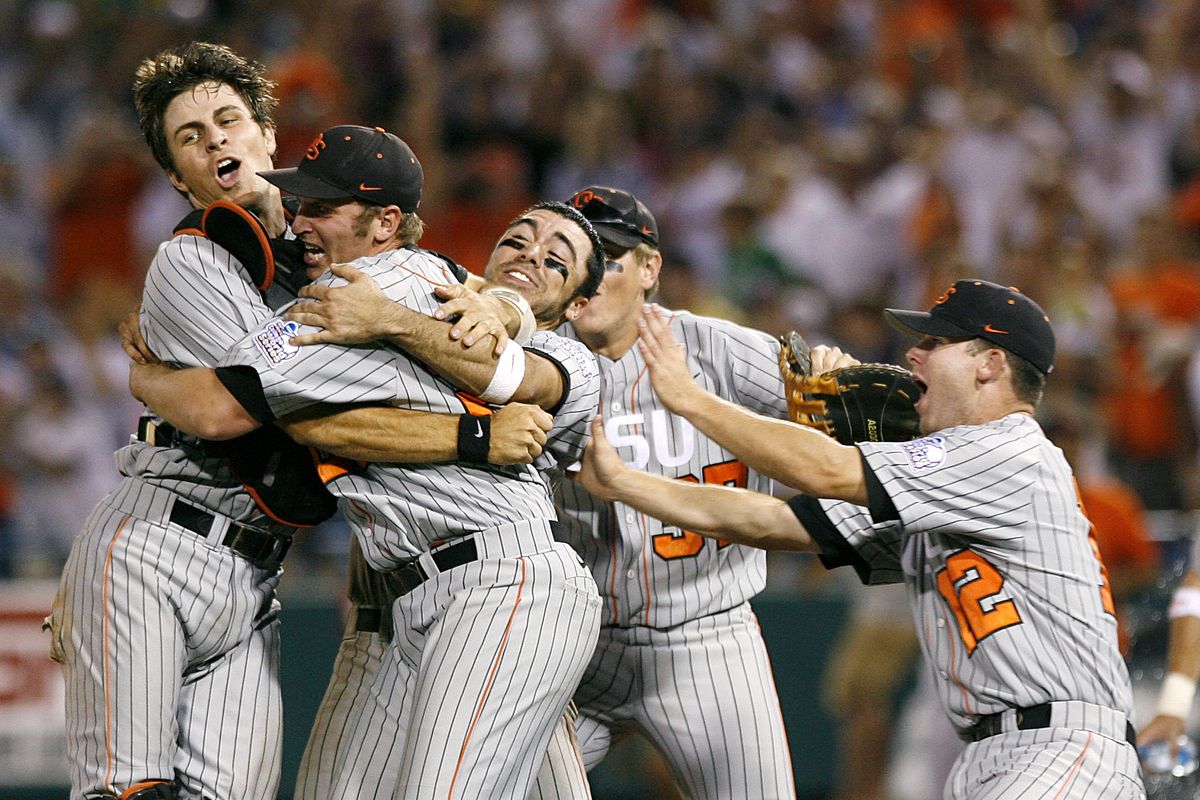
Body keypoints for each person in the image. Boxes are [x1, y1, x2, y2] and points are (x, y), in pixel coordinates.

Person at [126, 125, 608, 800]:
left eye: (322, 208)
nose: (300, 220)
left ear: (385, 222)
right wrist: (474, 425)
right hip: (415, 598)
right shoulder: (439, 283)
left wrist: (145, 375)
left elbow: (214, 409)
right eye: (301, 203)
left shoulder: (359, 298)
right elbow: (335, 419)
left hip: (505, 584)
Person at [576, 279, 1147, 799]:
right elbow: (775, 522)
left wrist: (691, 399)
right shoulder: (945, 480)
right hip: (1004, 753)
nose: (913, 354)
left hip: (1062, 750)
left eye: (937, 342)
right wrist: (627, 484)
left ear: (990, 364)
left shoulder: (1011, 451)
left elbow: (829, 471)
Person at [549, 186, 796, 798]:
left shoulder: (717, 349)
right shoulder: (534, 364)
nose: (590, 279)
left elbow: (839, 422)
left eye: (609, 259)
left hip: (706, 640)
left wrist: (832, 383)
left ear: (650, 269)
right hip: (579, 645)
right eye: (574, 259)